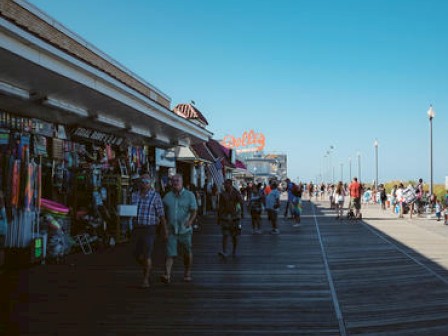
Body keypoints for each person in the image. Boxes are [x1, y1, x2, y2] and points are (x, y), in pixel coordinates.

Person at [131, 173, 167, 288]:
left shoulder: (155, 196)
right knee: (136, 254)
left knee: (147, 254)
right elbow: (130, 210)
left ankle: (145, 279)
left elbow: (161, 215)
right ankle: (147, 267)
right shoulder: (134, 195)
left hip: (149, 228)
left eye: (146, 181)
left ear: (150, 183)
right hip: (137, 228)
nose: (144, 183)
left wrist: (165, 230)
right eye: (142, 181)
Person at [161, 174, 197, 283]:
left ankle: (187, 272)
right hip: (171, 229)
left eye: (177, 180)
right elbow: (162, 213)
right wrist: (164, 229)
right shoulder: (167, 197)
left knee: (187, 253)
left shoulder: (190, 195)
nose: (175, 182)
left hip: (184, 230)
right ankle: (167, 275)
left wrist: (190, 221)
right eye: (173, 180)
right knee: (170, 253)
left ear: (182, 182)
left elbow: (194, 210)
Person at [217, 179, 244, 257]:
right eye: (224, 184)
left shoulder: (236, 193)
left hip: (235, 217)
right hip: (225, 217)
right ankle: (224, 251)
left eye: (226, 184)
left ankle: (234, 250)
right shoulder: (222, 194)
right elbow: (220, 206)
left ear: (230, 184)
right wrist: (218, 217)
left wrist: (242, 213)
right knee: (225, 234)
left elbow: (241, 202)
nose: (225, 186)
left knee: (234, 235)